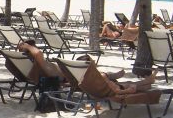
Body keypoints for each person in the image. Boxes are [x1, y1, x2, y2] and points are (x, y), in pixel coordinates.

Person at [17, 40, 157, 94]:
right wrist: (27, 46)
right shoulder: (40, 64)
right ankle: (144, 82)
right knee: (115, 81)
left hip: (73, 74)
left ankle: (145, 83)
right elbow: (39, 53)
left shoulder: (35, 66)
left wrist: (25, 48)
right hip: (75, 78)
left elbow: (37, 54)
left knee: (126, 84)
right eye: (32, 48)